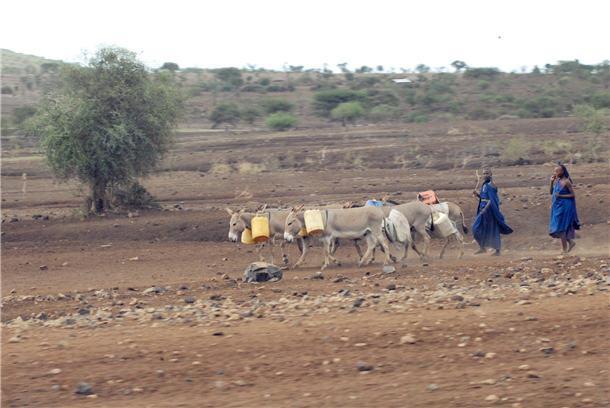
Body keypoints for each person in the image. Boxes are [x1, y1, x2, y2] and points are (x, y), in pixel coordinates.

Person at [472, 168, 513, 255]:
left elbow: (491, 200)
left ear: (491, 175)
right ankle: (482, 247)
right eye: (483, 173)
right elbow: (484, 198)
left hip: (490, 211)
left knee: (493, 229)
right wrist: (477, 195)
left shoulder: (492, 185)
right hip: (482, 211)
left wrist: (485, 209)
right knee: (476, 228)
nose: (485, 175)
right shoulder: (484, 185)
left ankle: (497, 251)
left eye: (487, 173)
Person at [549, 163, 580, 253]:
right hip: (558, 206)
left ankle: (564, 250)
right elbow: (552, 193)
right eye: (554, 171)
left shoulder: (566, 181)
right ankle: (570, 242)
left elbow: (573, 195)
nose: (555, 173)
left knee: (561, 227)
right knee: (559, 227)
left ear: (562, 171)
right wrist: (551, 182)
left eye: (557, 171)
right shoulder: (557, 181)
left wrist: (561, 196)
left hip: (565, 207)